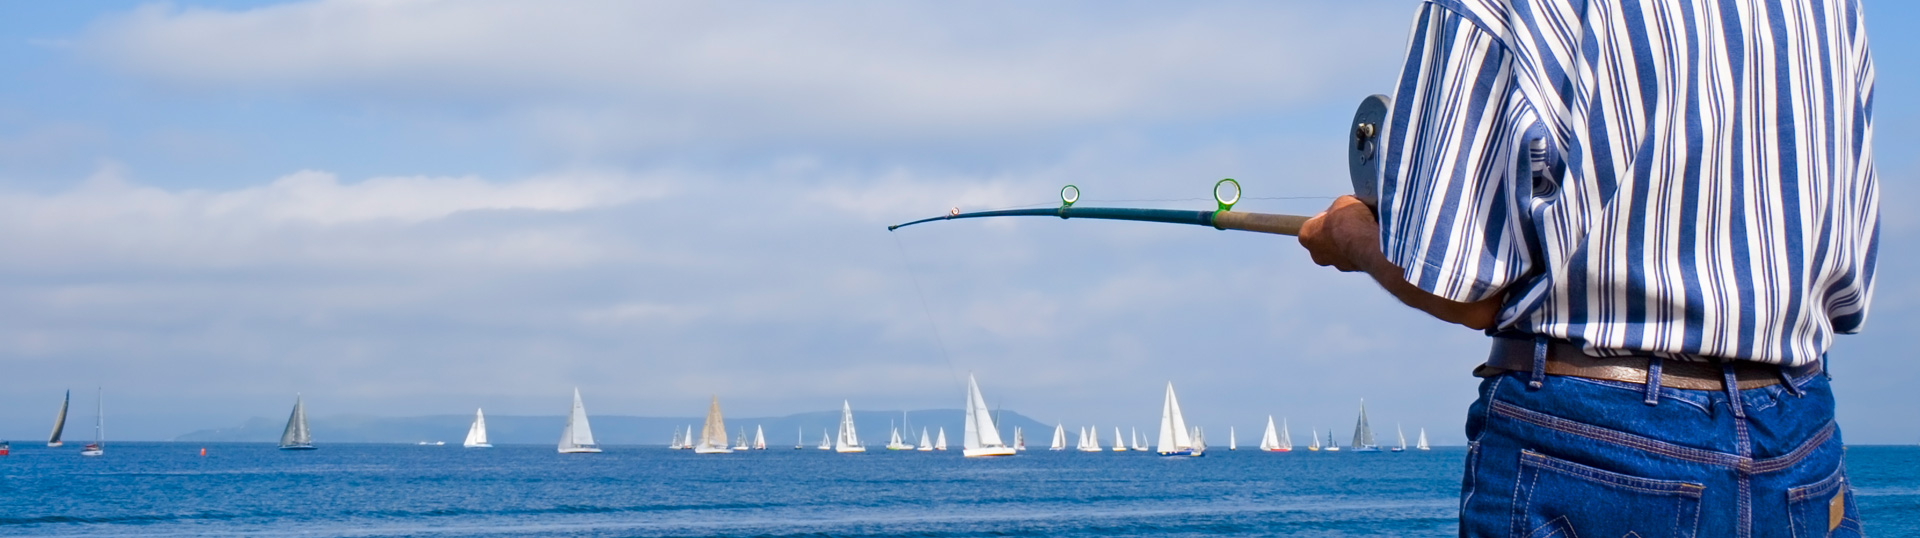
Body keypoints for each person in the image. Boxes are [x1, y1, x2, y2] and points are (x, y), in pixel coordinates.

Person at [1298, 0, 1877, 536]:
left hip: (1591, 441)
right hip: (1800, 435)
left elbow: (1463, 289)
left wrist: (1352, 237)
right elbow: (1847, 282)